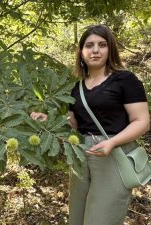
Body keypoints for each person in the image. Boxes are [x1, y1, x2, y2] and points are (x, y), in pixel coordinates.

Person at [31, 24, 150, 225]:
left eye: (102, 45)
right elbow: (74, 125)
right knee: (77, 218)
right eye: (89, 45)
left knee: (101, 219)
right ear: (81, 51)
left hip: (113, 155)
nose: (95, 50)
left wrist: (112, 143)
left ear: (110, 49)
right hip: (81, 156)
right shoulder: (76, 88)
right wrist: (49, 121)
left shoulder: (124, 80)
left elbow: (142, 121)